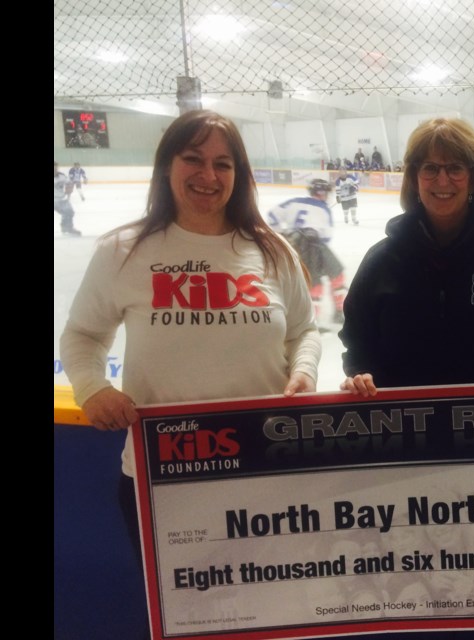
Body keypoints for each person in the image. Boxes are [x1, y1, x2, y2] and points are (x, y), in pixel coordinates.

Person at [58, 110, 322, 604]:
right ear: (167, 166)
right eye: (193, 159)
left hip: (263, 470)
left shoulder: (272, 252)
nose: (209, 175)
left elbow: (305, 331)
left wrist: (303, 371)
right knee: (183, 612)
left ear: (239, 175)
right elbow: (81, 336)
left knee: (266, 607)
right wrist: (93, 388)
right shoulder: (124, 251)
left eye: (223, 164)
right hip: (161, 476)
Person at [339, 117, 474, 397]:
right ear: (414, 177)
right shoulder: (381, 260)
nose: (442, 180)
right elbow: (357, 341)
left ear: (473, 179)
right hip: (406, 427)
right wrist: (360, 373)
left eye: (455, 168)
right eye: (430, 168)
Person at [266, 178, 349, 324]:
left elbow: (272, 215)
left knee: (310, 281)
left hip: (293, 245)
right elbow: (326, 237)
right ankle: (327, 316)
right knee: (334, 276)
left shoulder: (294, 202)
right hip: (314, 247)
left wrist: (283, 234)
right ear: (323, 193)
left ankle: (310, 317)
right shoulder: (324, 209)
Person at [54, 161, 82, 236]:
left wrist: (68, 193)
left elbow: (69, 183)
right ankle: (65, 227)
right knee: (66, 211)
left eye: (56, 167)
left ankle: (67, 228)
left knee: (70, 211)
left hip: (62, 198)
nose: (55, 169)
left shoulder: (62, 176)